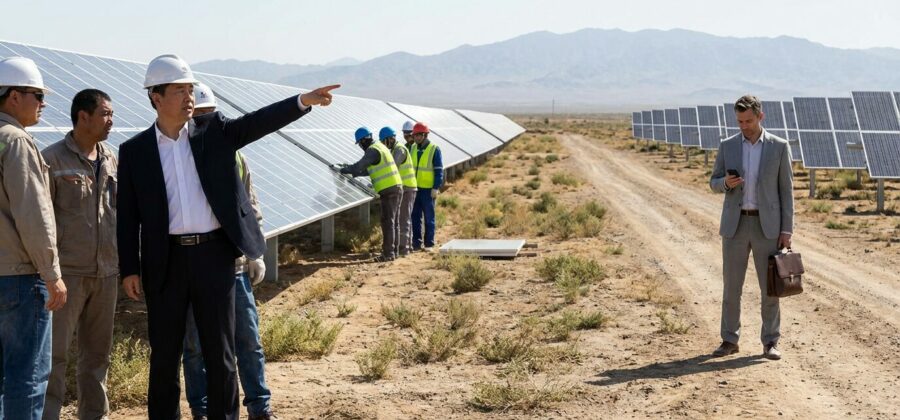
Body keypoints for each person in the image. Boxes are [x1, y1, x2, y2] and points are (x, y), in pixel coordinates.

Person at [116, 54, 338, 420]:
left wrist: (303, 101)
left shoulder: (213, 132)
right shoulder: (135, 151)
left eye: (190, 89)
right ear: (155, 97)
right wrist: (129, 269)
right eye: (179, 91)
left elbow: (258, 123)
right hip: (165, 263)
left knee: (220, 354)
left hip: (214, 257)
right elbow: (127, 218)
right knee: (165, 357)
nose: (189, 97)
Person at [181, 82, 276, 420]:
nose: (206, 122)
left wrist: (256, 251)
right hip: (192, 266)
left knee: (247, 340)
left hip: (234, 264)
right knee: (195, 347)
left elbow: (249, 203)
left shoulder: (235, 154)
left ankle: (259, 406)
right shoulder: (178, 156)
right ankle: (202, 409)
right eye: (199, 117)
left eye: (211, 115)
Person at [41, 89, 118, 420]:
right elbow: (40, 218)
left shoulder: (113, 159)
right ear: (82, 117)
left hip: (107, 274)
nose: (111, 120)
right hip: (66, 276)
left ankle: (93, 416)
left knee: (98, 356)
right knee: (54, 357)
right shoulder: (52, 160)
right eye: (105, 114)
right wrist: (50, 273)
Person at [0, 56, 67, 420]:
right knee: (27, 377)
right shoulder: (16, 141)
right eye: (37, 95)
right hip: (21, 280)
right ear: (13, 97)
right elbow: (33, 215)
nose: (43, 103)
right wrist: (51, 273)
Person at [709, 94, 794, 361]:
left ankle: (770, 341)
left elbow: (786, 192)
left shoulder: (779, 147)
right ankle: (729, 340)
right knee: (731, 286)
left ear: (760, 116)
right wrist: (726, 183)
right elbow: (713, 182)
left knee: (769, 288)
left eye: (748, 120)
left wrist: (787, 229)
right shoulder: (728, 145)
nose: (743, 126)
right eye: (739, 121)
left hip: (766, 226)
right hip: (735, 226)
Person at [338, 127, 403, 261]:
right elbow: (369, 170)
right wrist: (355, 172)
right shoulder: (380, 147)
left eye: (360, 143)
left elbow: (360, 165)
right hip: (395, 187)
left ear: (363, 141)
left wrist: (345, 169)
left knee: (388, 222)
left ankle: (388, 254)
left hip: (389, 190)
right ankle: (393, 252)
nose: (361, 146)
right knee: (393, 222)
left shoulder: (372, 150)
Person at [379, 126, 417, 256]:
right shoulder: (396, 149)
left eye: (384, 141)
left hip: (407, 187)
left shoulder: (399, 150)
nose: (384, 145)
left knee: (403, 218)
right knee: (404, 218)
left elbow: (392, 166)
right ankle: (408, 246)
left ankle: (404, 249)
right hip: (405, 187)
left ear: (390, 139)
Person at [409, 122, 443, 251]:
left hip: (428, 190)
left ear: (425, 135)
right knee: (415, 217)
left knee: (429, 218)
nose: (416, 137)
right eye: (415, 135)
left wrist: (436, 187)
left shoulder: (434, 149)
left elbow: (439, 170)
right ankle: (416, 244)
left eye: (419, 135)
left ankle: (429, 243)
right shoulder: (413, 148)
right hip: (415, 189)